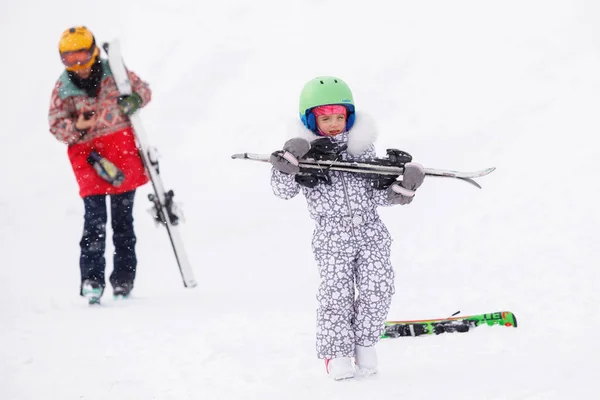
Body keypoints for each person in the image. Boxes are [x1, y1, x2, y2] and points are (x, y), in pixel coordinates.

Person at [269, 76, 426, 380]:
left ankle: (365, 343)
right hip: (332, 237)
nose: (333, 124)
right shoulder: (305, 155)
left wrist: (401, 189)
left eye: (339, 116)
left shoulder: (361, 150)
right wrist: (288, 164)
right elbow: (283, 191)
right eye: (325, 118)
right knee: (336, 295)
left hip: (370, 233)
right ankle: (337, 351)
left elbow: (376, 194)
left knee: (378, 287)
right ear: (310, 120)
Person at [48, 26, 152, 303]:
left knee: (123, 223)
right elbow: (56, 126)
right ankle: (92, 279)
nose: (77, 65)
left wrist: (135, 99)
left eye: (82, 56)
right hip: (90, 161)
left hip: (123, 155)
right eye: (69, 59)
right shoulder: (63, 88)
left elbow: (143, 90)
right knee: (94, 223)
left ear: (94, 52)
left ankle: (123, 280)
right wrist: (77, 126)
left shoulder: (115, 74)